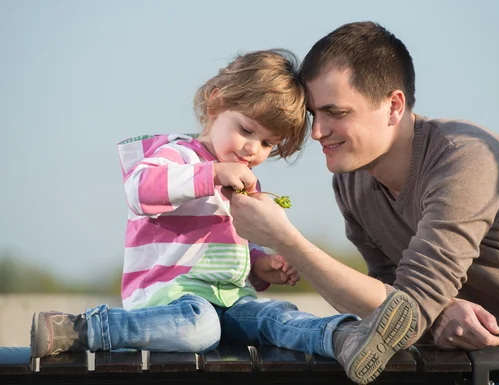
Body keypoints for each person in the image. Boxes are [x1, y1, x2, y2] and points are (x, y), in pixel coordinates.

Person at [224, 23, 499, 384]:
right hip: (496, 369)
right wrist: (438, 314)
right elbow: (388, 293)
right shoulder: (351, 180)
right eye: (314, 115)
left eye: (335, 113)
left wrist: (287, 241)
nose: (318, 132)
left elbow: (406, 313)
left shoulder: (464, 160)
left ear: (393, 106)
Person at [29, 48, 420, 385]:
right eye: (246, 130)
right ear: (216, 103)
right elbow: (139, 189)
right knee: (200, 326)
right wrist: (211, 174)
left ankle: (346, 338)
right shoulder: (179, 156)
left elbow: (225, 244)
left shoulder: (238, 176)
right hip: (170, 300)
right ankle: (84, 328)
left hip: (230, 300)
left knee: (276, 318)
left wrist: (260, 264)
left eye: (268, 143)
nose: (253, 149)